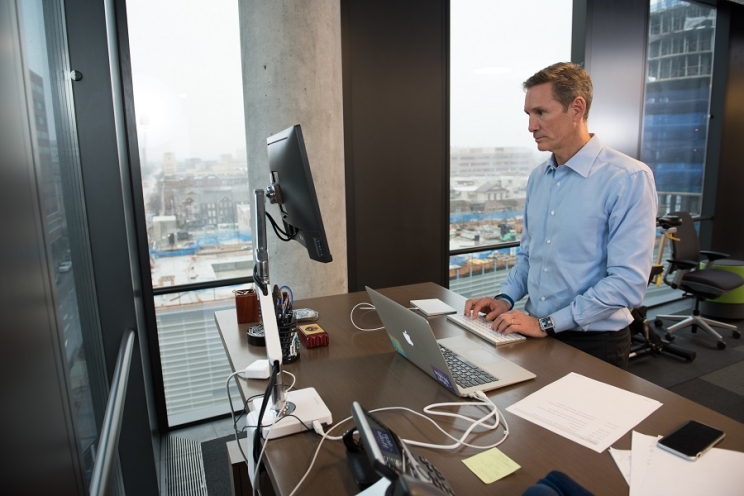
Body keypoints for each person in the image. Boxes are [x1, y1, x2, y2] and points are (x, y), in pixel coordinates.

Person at [464, 62, 658, 369]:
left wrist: (548, 324)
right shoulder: (539, 178)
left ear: (576, 108)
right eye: (528, 114)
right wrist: (504, 299)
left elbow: (627, 282)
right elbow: (529, 256)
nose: (531, 125)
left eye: (541, 112)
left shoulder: (627, 178)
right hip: (533, 331)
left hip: (593, 343)